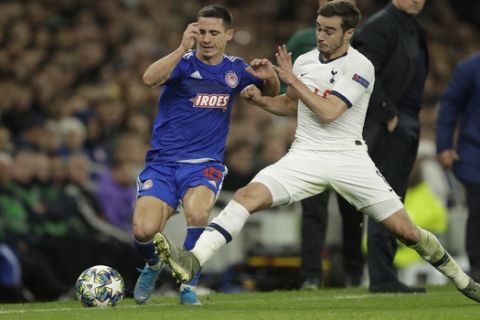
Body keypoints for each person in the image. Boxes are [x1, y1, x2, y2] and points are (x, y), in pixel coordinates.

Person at [153, 0, 480, 304]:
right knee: (245, 197)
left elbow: (328, 112)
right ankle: (192, 260)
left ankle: (462, 280)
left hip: (348, 158)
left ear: (348, 33)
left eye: (329, 30)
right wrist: (261, 99)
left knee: (406, 232)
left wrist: (291, 79)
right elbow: (290, 106)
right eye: (319, 27)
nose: (320, 35)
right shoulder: (307, 60)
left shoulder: (361, 66)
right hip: (305, 155)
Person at [132, 4, 279, 306]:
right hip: (162, 164)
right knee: (143, 231)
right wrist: (180, 47)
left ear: (229, 35)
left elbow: (270, 93)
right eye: (201, 32)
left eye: (214, 32)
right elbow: (148, 78)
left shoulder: (235, 70)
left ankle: (188, 285)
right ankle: (153, 264)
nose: (207, 38)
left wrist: (270, 78)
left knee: (198, 213)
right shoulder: (183, 64)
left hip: (204, 164)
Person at [337, 0, 430, 293]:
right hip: (385, 124)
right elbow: (360, 73)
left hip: (405, 121)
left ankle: (384, 275)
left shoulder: (412, 28)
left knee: (393, 198)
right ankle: (381, 277)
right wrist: (388, 114)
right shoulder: (380, 27)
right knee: (384, 199)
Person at [286, 0, 364, 289]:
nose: (322, 36)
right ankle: (311, 275)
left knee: (353, 209)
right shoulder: (302, 44)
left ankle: (354, 272)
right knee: (312, 210)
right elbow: (288, 93)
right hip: (312, 143)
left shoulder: (359, 45)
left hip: (346, 142)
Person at [436, 51, 480, 282]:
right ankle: (478, 268)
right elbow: (450, 106)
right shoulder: (470, 68)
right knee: (479, 211)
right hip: (476, 153)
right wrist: (444, 146)